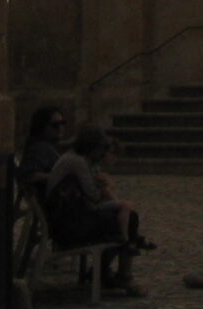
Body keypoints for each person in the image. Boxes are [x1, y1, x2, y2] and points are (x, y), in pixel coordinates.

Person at [44, 125, 151, 296]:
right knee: (129, 218)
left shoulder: (80, 160)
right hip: (69, 224)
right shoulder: (77, 162)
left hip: (71, 217)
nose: (103, 154)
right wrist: (112, 196)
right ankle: (123, 275)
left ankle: (104, 270)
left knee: (125, 217)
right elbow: (93, 196)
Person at [20, 104, 70, 190]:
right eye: (55, 125)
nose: (60, 128)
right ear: (42, 127)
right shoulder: (39, 148)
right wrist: (60, 176)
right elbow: (28, 176)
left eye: (62, 123)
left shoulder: (46, 146)